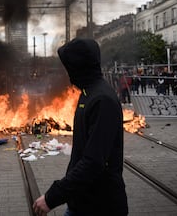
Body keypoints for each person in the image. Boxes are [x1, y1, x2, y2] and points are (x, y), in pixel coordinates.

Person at [33, 38, 128, 216]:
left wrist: (52, 197)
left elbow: (93, 161)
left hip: (100, 207)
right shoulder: (88, 93)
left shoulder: (102, 100)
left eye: (69, 67)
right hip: (83, 201)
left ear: (78, 67)